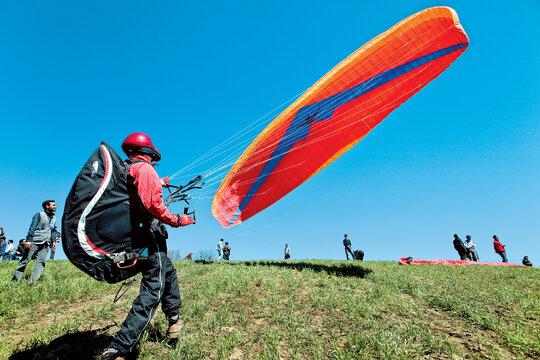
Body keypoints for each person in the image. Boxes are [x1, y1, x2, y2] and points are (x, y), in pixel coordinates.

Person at [101, 133, 195, 360]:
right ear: (149, 151)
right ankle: (119, 348)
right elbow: (152, 203)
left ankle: (174, 319)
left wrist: (160, 182)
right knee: (154, 288)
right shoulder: (145, 170)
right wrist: (177, 220)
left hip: (136, 238)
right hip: (150, 238)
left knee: (168, 273)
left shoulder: (128, 169)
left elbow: (135, 193)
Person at [11, 200, 58, 283]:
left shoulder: (54, 218)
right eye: (53, 205)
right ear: (47, 206)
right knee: (25, 260)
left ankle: (33, 282)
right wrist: (28, 240)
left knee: (41, 261)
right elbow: (32, 228)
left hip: (45, 243)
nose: (55, 206)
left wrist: (53, 241)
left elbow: (53, 230)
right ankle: (15, 281)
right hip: (35, 241)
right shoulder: (39, 215)